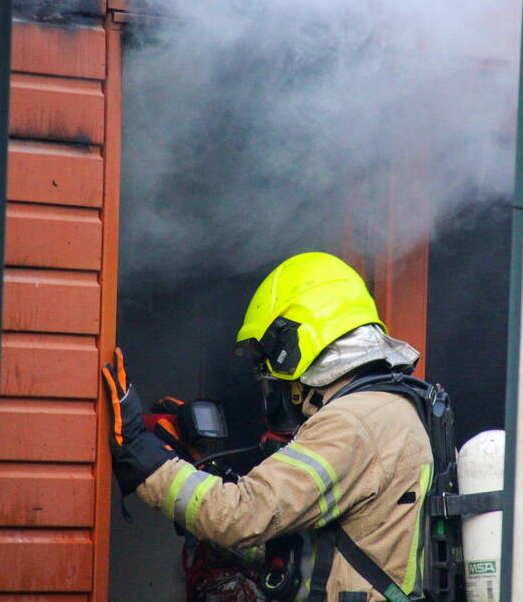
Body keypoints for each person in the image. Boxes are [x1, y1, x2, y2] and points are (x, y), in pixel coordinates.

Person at [102, 252, 432, 601]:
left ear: (299, 342)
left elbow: (241, 518)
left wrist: (142, 455)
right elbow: (283, 540)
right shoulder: (391, 407)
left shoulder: (351, 422)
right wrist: (196, 471)